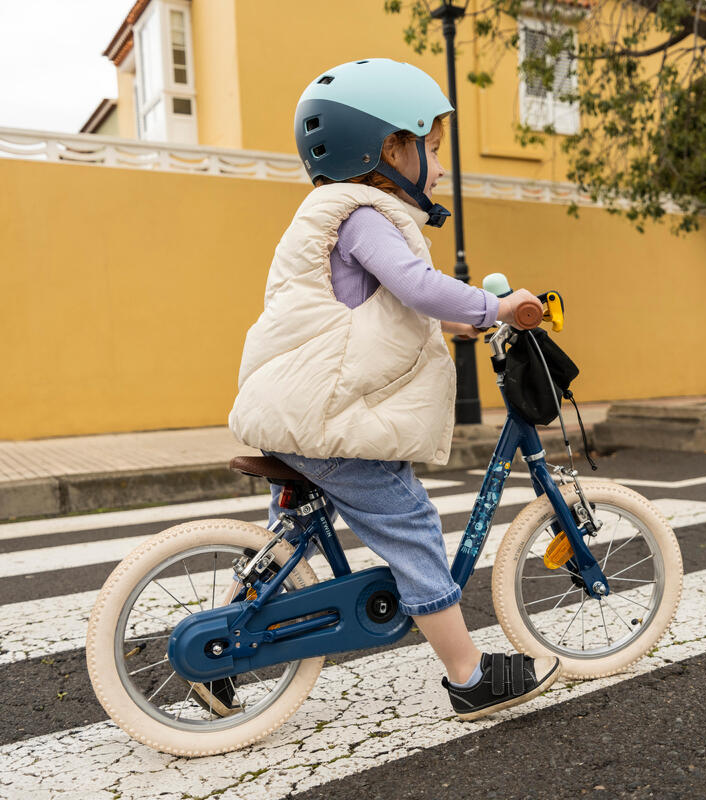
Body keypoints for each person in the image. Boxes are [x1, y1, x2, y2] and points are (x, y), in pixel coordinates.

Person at [228, 58, 561, 720]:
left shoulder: (332, 214)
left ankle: (228, 655)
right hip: (328, 417)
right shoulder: (363, 214)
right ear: (389, 148)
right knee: (409, 521)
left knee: (286, 542)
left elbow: (378, 310)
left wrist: (459, 325)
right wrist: (497, 308)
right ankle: (469, 677)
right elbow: (414, 287)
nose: (437, 167)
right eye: (431, 148)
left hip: (296, 414)